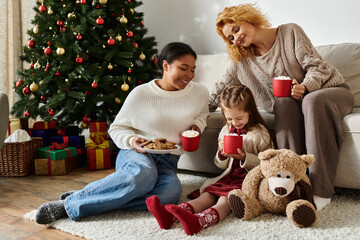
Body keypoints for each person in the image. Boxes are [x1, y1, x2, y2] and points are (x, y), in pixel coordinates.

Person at [35, 42, 209, 224]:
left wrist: (197, 125)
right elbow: (116, 128)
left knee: (168, 195)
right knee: (143, 175)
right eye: (184, 68)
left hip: (168, 160)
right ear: (165, 65)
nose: (189, 75)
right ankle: (68, 205)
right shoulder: (141, 94)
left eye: (193, 70)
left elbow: (203, 114)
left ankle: (94, 196)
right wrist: (132, 140)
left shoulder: (199, 92)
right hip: (135, 154)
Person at [209, 4, 354, 211]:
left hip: (331, 91)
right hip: (296, 103)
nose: (236, 38)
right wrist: (198, 112)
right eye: (230, 38)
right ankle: (293, 184)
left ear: (247, 18)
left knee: (312, 100)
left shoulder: (289, 32)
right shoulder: (242, 59)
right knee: (282, 102)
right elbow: (221, 86)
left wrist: (305, 87)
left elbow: (317, 67)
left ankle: (321, 190)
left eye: (236, 29)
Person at [146, 84, 273, 235]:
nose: (234, 123)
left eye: (239, 118)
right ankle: (171, 216)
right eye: (229, 118)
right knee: (208, 194)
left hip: (248, 180)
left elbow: (268, 164)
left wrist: (244, 157)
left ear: (250, 112)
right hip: (228, 177)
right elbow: (220, 165)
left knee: (224, 200)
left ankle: (199, 221)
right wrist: (222, 154)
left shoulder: (260, 133)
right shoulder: (226, 131)